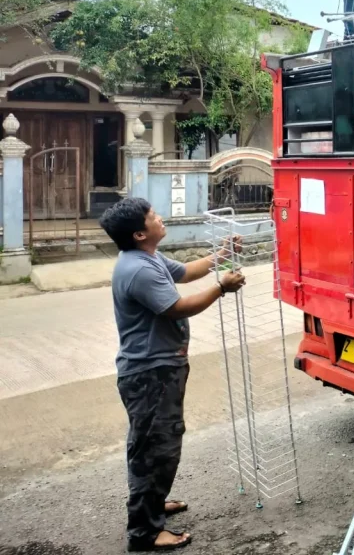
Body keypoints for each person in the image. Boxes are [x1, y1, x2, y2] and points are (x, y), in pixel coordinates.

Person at [99, 197, 246, 552]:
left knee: (160, 443)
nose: (160, 218)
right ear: (138, 233)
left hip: (160, 367)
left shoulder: (146, 257)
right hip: (151, 373)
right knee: (153, 449)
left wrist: (220, 253)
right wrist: (222, 287)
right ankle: (145, 532)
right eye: (152, 217)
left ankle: (153, 503)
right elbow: (177, 307)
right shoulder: (138, 269)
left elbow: (185, 272)